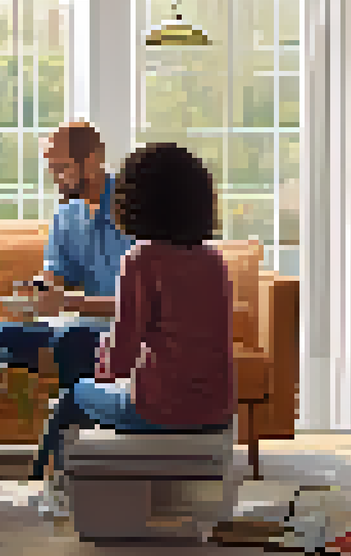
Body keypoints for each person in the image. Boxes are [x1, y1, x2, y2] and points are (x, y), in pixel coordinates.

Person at [39, 142, 236, 488]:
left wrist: (103, 368)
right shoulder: (213, 260)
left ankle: (52, 488)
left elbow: (120, 356)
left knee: (72, 397)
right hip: (218, 409)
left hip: (157, 408)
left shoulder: (142, 258)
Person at [0, 122, 137, 486]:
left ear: (94, 160)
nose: (57, 178)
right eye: (52, 168)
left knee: (77, 341)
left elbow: (137, 304)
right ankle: (43, 453)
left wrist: (67, 301)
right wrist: (38, 289)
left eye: (63, 167)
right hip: (73, 320)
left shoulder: (133, 210)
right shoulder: (67, 214)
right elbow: (58, 271)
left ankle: (61, 466)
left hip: (116, 325)